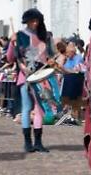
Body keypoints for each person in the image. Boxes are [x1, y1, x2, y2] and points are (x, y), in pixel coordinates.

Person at [8, 8, 56, 153]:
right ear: (27, 22)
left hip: (41, 77)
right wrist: (11, 44)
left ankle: (38, 142)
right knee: (27, 108)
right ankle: (27, 142)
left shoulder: (45, 37)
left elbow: (50, 56)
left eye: (36, 21)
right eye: (32, 21)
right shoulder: (20, 35)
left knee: (39, 109)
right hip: (25, 77)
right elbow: (11, 58)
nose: (34, 23)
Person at [60, 40, 85, 123]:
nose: (67, 55)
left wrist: (63, 69)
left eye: (68, 53)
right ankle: (67, 110)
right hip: (69, 79)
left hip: (77, 79)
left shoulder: (78, 58)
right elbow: (64, 71)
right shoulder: (67, 59)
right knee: (67, 79)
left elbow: (75, 71)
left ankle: (74, 115)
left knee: (71, 79)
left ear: (72, 52)